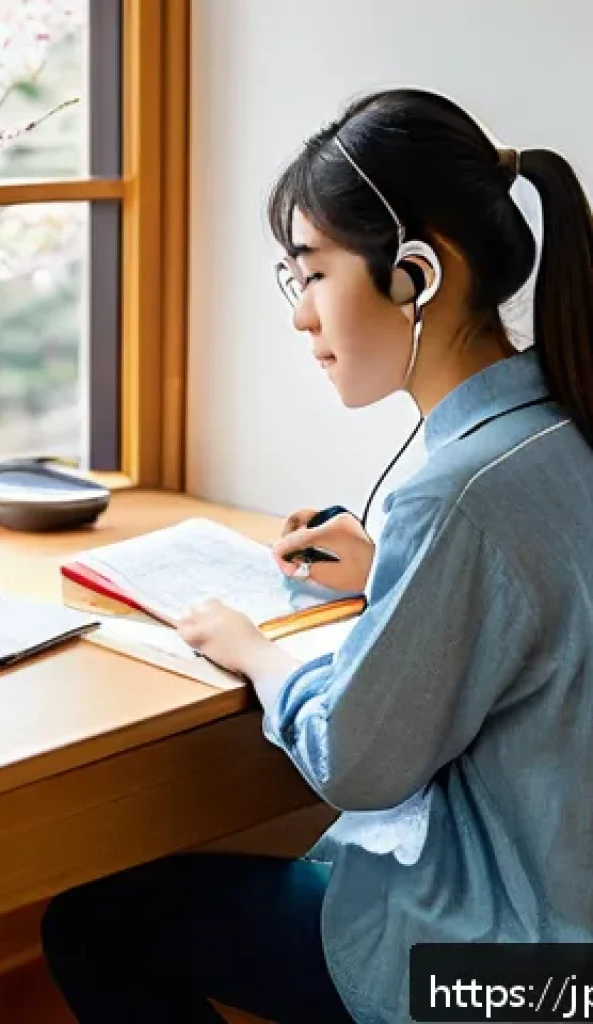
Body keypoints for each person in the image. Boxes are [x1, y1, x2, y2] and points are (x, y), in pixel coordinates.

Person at [40, 88, 593, 1023]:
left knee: (98, 923)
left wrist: (258, 650)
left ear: (416, 273)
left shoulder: (456, 491)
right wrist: (392, 574)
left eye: (313, 273)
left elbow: (358, 764)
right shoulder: (558, 432)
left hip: (517, 984)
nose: (300, 316)